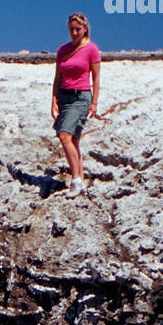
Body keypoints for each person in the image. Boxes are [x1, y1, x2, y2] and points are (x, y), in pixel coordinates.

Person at [51, 13, 100, 195]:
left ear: (85, 29)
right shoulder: (62, 50)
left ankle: (76, 180)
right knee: (73, 140)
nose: (74, 32)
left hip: (81, 97)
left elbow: (95, 78)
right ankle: (79, 180)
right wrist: (54, 101)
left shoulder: (91, 49)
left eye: (77, 29)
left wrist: (94, 103)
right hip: (64, 97)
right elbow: (57, 78)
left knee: (64, 136)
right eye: (71, 29)